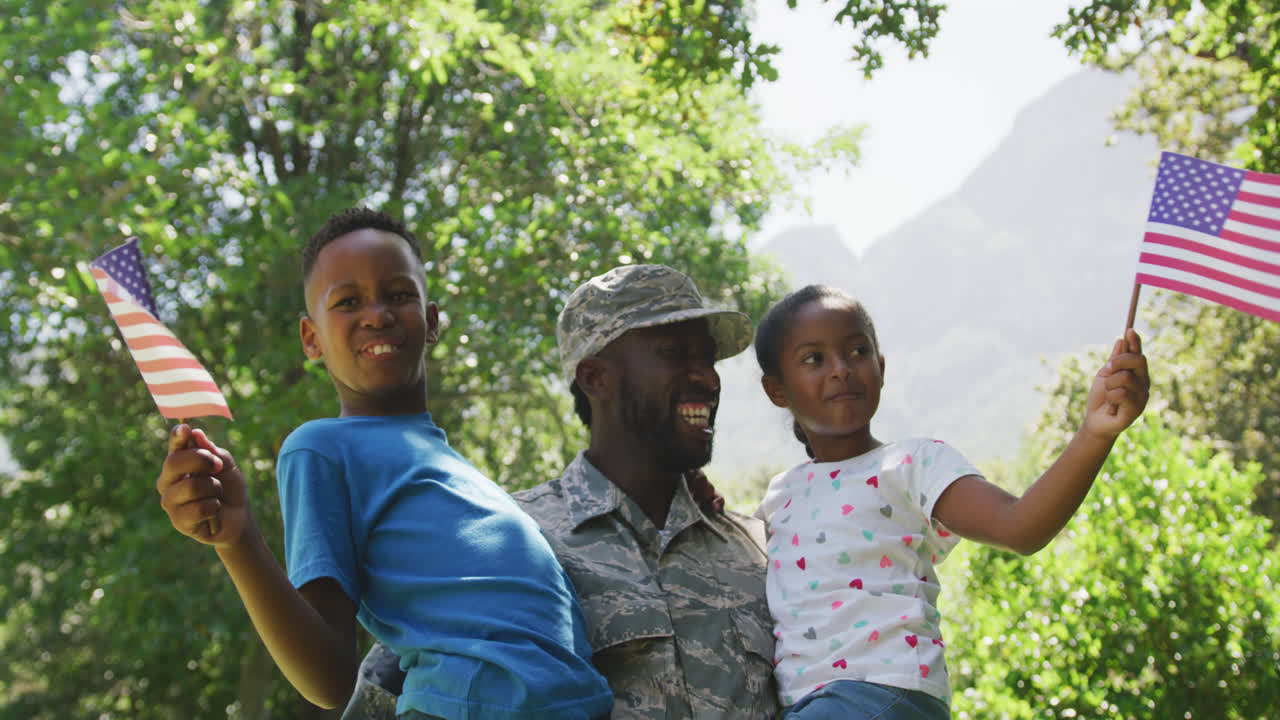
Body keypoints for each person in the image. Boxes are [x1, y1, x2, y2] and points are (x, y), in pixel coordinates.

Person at [154, 207, 613, 720]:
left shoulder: (456, 468)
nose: (377, 314)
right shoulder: (320, 448)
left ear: (432, 321)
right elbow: (327, 678)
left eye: (398, 295)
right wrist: (238, 543)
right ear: (311, 340)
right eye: (348, 302)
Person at [347, 264, 780, 720]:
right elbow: (386, 698)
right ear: (595, 378)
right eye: (674, 354)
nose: (709, 379)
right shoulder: (502, 544)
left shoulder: (760, 550)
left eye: (707, 359)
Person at [750, 284, 1149, 719]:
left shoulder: (913, 464)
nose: (841, 369)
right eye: (814, 359)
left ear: (881, 367)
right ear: (777, 391)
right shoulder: (779, 497)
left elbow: (1021, 527)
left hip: (886, 696)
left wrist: (1095, 432)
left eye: (858, 351)